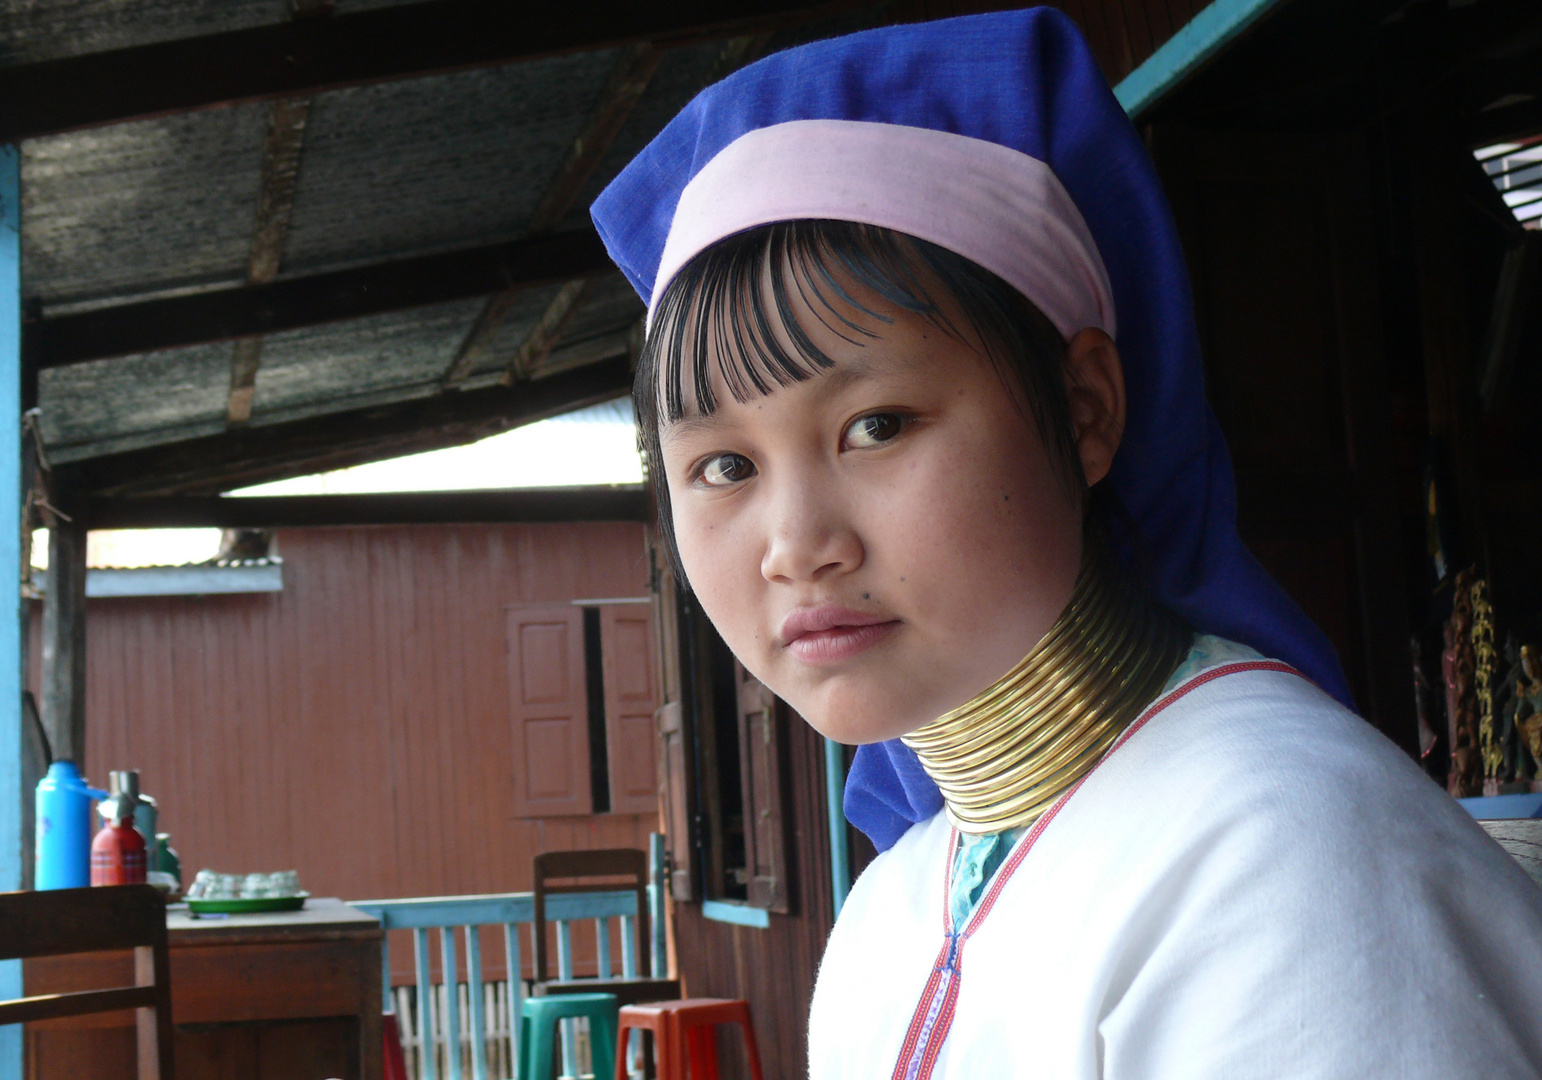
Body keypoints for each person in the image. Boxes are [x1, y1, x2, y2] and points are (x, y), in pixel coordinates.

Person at [590, 9, 1542, 1078]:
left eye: (878, 426)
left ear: (1085, 409)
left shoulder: (1277, 856)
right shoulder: (893, 908)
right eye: (725, 467)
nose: (796, 544)